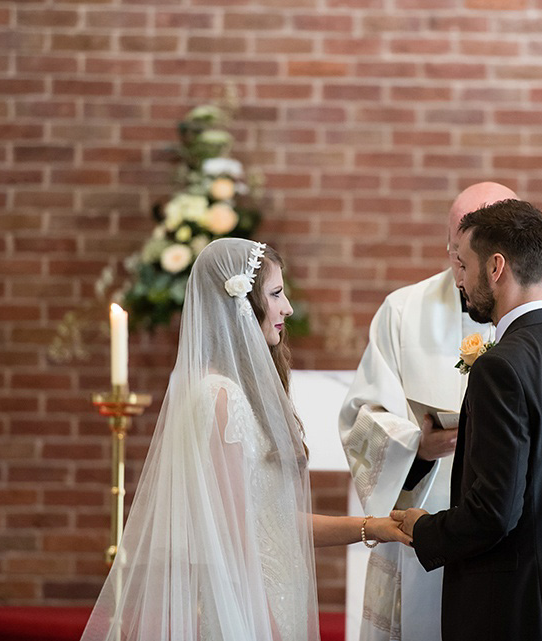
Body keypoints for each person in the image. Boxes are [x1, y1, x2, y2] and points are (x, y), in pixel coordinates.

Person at [81, 238, 409, 641]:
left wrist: (373, 526)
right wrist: (261, 627)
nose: (287, 307)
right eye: (275, 294)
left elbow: (272, 526)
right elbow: (234, 544)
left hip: (271, 599)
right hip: (247, 613)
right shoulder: (220, 398)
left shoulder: (236, 394)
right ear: (240, 305)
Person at [338, 182, 542, 641]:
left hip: (502, 573)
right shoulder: (403, 310)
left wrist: (428, 531)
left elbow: (496, 511)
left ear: (495, 262)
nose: (457, 276)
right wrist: (419, 448)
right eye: (452, 254)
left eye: (464, 261)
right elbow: (364, 415)